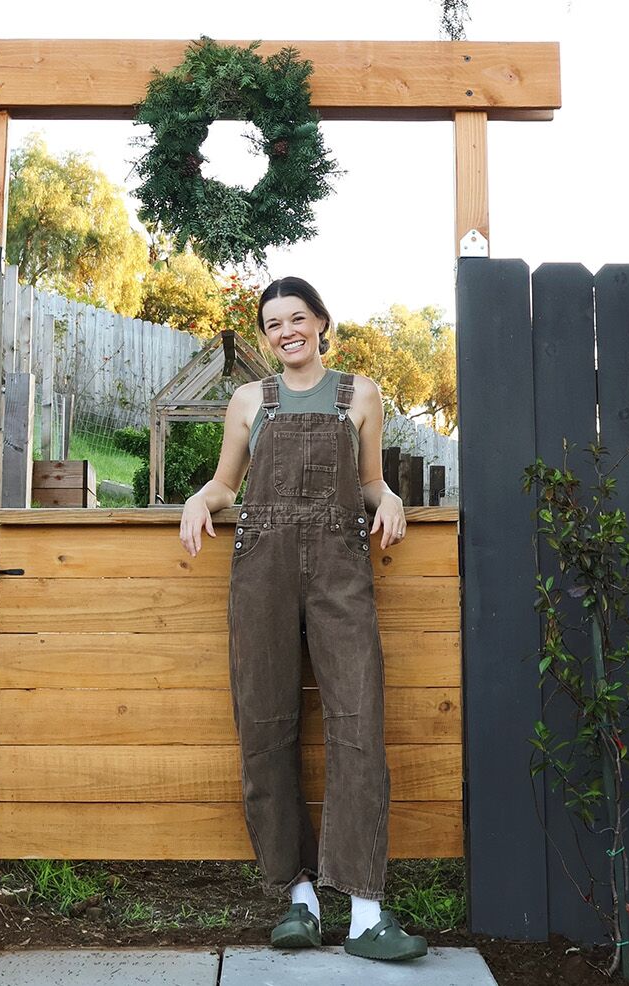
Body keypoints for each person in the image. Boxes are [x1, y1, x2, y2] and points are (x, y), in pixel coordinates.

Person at [178, 276, 428, 961]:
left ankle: (366, 914)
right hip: (262, 571)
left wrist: (391, 500)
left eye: (296, 318)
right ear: (266, 336)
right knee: (264, 720)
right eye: (272, 324)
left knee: (358, 722)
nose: (285, 331)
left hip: (342, 571)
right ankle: (299, 899)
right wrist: (201, 500)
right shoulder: (247, 400)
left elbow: (371, 479)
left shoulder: (361, 394)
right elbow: (229, 484)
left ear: (320, 321)